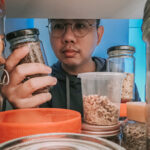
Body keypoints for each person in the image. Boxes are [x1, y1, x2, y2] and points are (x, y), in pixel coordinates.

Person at [1, 19, 140, 115]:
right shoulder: (38, 84)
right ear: (50, 34)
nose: (68, 37)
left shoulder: (120, 79)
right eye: (58, 26)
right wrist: (11, 107)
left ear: (99, 34)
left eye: (80, 25)